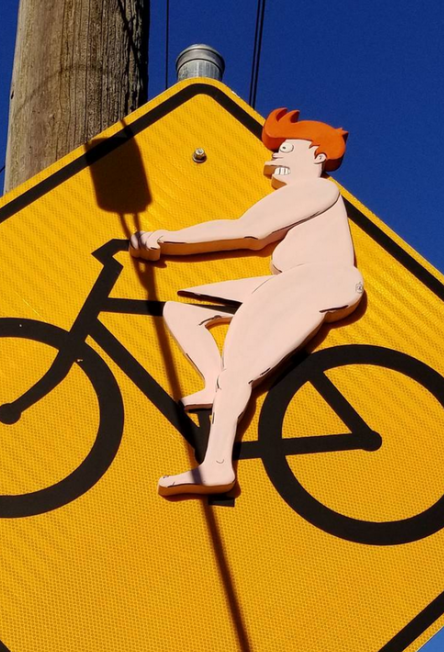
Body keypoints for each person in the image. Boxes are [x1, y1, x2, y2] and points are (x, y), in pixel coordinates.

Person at [130, 108, 364, 496]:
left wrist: (165, 238)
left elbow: (250, 232)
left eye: (287, 147)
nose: (275, 156)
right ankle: (214, 385)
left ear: (319, 156)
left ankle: (217, 466)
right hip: (294, 281)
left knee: (239, 372)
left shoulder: (318, 189)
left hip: (318, 282)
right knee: (182, 312)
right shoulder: (305, 192)